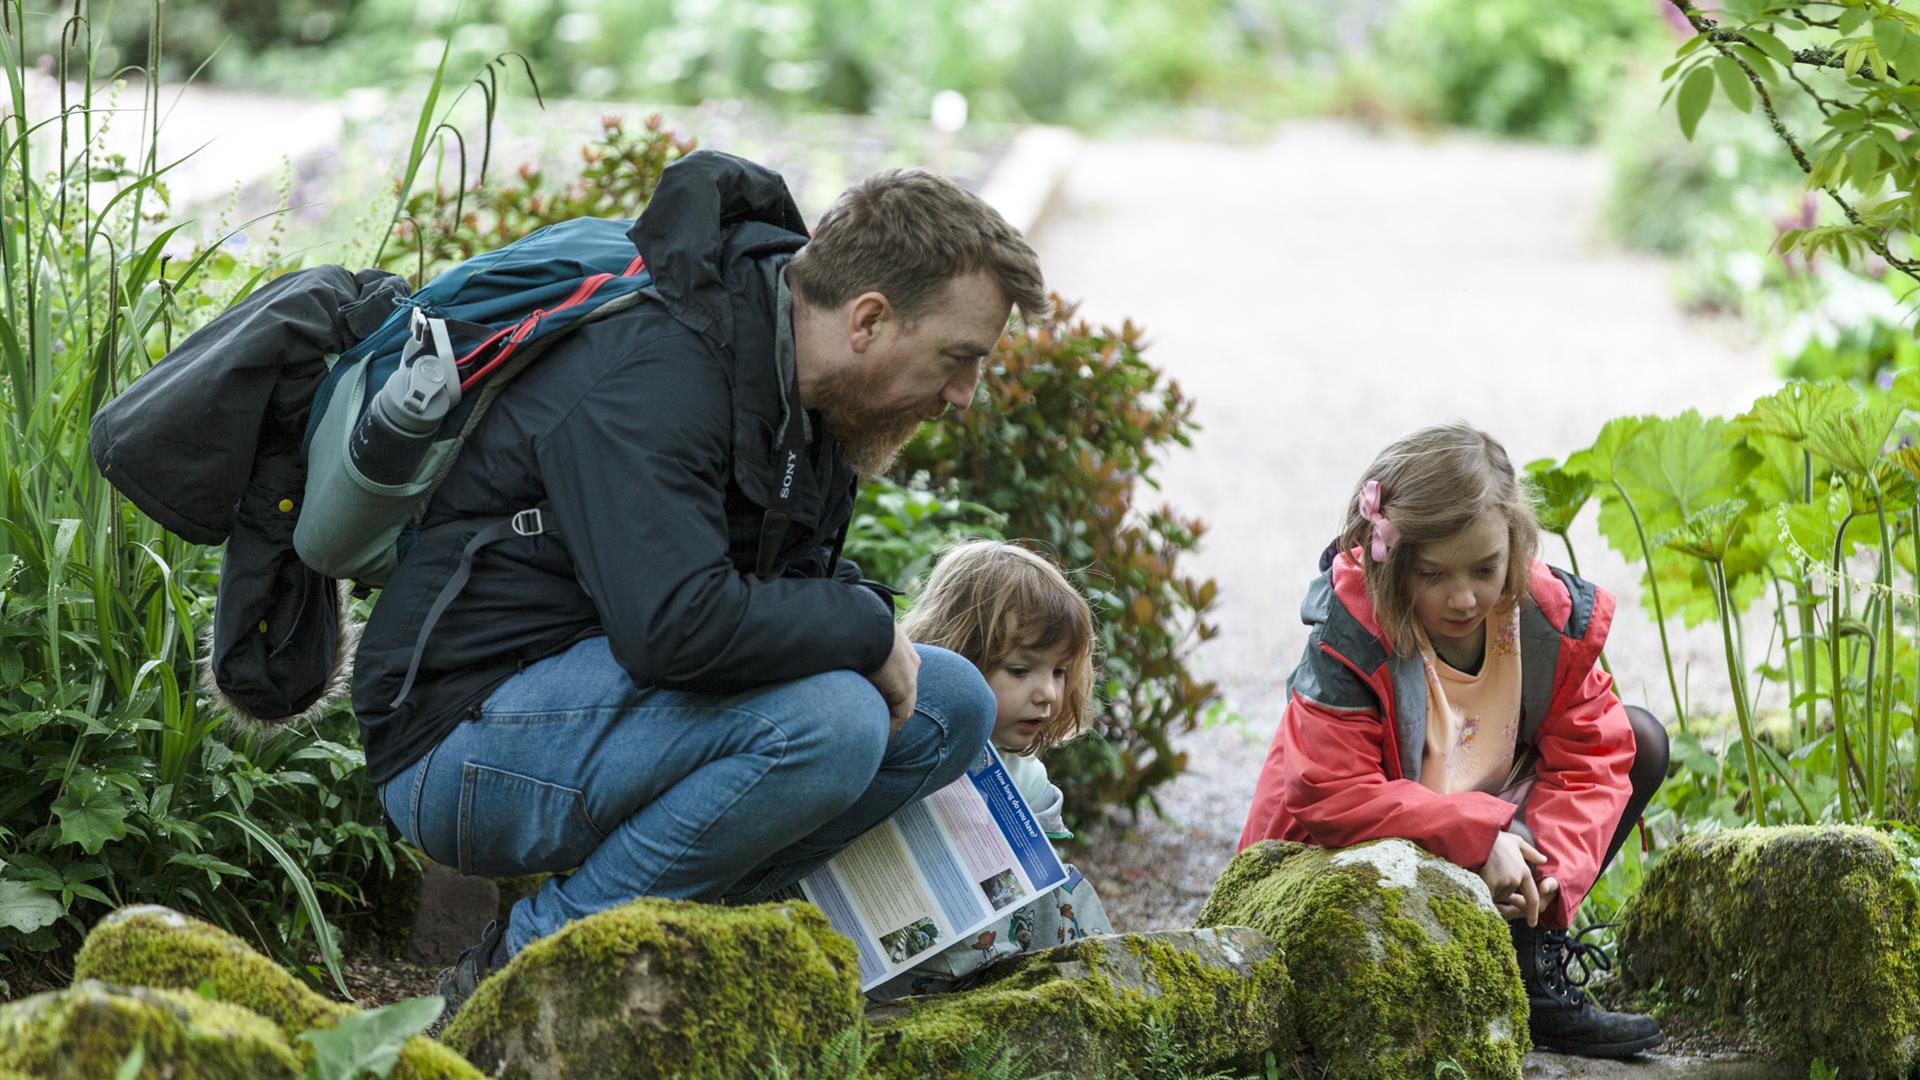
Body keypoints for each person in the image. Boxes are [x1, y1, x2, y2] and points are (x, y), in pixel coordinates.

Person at [356, 150, 1050, 1011]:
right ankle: (527, 974)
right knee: (828, 722)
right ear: (868, 320)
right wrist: (867, 630)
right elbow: (674, 627)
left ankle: (699, 946)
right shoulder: (657, 371)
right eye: (959, 357)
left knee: (950, 700)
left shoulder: (807, 399)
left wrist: (861, 619)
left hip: (603, 710)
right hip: (457, 742)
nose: (964, 394)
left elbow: (791, 592)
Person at [1237, 421, 1670, 1059]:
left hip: (1475, 821)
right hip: (1354, 848)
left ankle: (1529, 969)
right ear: (1393, 557)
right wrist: (1479, 837)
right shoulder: (1355, 631)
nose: (1463, 597)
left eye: (1485, 569)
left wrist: (1544, 865)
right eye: (1434, 574)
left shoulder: (1542, 620)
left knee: (1640, 740)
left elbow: (1592, 754)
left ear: (1516, 548)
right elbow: (1330, 792)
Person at [867, 540, 1112, 1001]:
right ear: (955, 655)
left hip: (1002, 965)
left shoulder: (1027, 777)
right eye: (1020, 670)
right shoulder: (908, 747)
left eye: (1059, 672)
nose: (1048, 695)